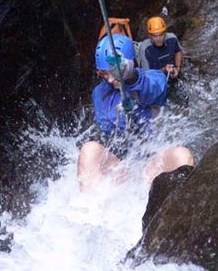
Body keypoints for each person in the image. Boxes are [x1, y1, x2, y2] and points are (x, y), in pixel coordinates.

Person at [77, 34, 195, 192]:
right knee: (89, 150)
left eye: (114, 71)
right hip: (122, 165)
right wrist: (123, 106)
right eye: (104, 74)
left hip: (153, 162)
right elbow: (107, 129)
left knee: (182, 155)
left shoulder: (151, 77)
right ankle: (93, 208)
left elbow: (156, 88)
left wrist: (131, 79)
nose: (110, 79)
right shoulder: (100, 93)